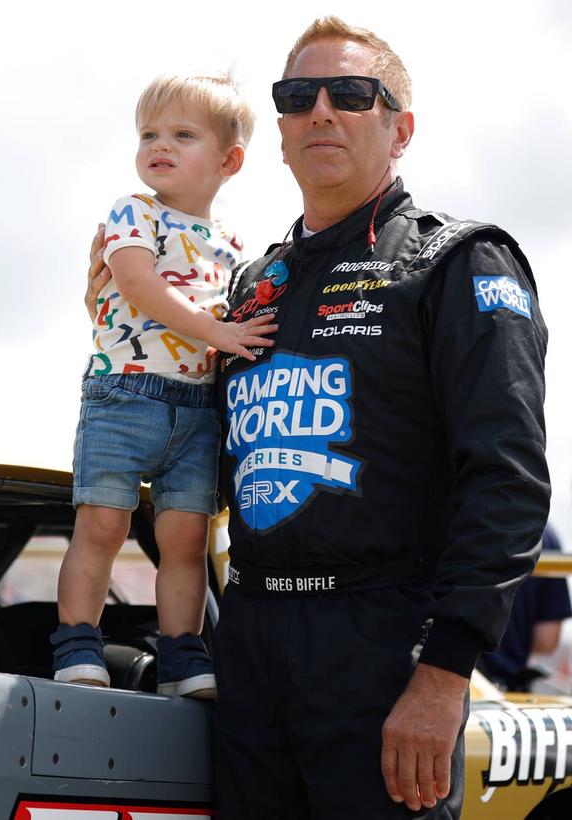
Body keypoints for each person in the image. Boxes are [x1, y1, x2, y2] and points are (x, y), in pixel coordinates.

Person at [84, 16, 548, 818]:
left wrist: (443, 675)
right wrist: (108, 302)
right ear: (280, 131)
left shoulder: (456, 260)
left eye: (351, 95)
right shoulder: (248, 285)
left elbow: (506, 480)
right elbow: (183, 442)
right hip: (251, 643)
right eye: (299, 97)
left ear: (399, 129)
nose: (322, 111)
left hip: (384, 645)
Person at [52, 74, 276, 698]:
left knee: (185, 540)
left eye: (183, 135)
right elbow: (137, 288)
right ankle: (76, 644)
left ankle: (183, 656)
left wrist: (227, 334)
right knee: (102, 524)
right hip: (125, 394)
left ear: (229, 161)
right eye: (150, 134)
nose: (161, 146)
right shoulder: (134, 211)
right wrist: (216, 330)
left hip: (198, 407)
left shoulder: (232, 242)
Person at [479, 526, 571, 692]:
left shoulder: (449, 519)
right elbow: (546, 640)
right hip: (504, 692)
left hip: (439, 682)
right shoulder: (545, 535)